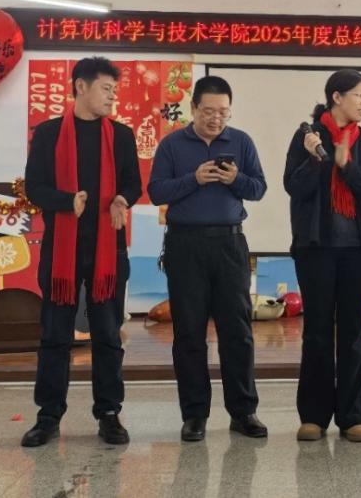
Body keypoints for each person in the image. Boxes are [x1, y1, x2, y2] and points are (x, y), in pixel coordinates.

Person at [21, 56, 142, 447]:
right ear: (80, 87)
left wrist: (122, 199)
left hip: (108, 251)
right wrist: (65, 202)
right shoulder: (49, 133)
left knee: (108, 334)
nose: (112, 97)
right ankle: (48, 415)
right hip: (62, 249)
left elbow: (133, 183)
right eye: (106, 89)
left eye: (114, 90)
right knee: (55, 335)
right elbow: (34, 187)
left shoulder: (120, 135)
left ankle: (108, 413)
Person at [149, 75, 269, 442]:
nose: (216, 119)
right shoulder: (172, 145)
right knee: (189, 333)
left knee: (237, 331)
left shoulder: (241, 142)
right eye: (208, 111)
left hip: (230, 244)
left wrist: (235, 179)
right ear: (193, 108)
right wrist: (194, 179)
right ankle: (194, 415)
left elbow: (259, 189)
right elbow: (156, 192)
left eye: (223, 112)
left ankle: (244, 412)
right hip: (185, 245)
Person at [284, 69, 361, 443]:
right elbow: (293, 186)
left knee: (353, 331)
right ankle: (313, 416)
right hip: (315, 248)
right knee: (316, 331)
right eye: (359, 94)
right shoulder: (307, 137)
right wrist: (318, 159)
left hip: (358, 249)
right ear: (336, 97)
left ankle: (353, 416)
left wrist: (347, 165)